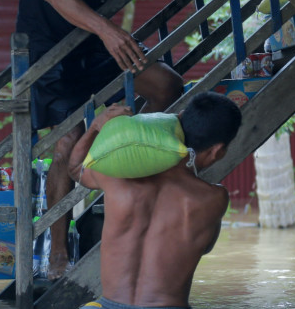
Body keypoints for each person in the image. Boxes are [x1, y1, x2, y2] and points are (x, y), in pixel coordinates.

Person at [14, 0, 184, 278]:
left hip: (92, 40)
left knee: (165, 86)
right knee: (65, 143)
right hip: (52, 47)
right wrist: (109, 31)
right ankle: (57, 251)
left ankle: (118, 175)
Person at [68, 91, 241, 309]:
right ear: (217, 151)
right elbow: (204, 247)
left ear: (179, 121)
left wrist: (95, 127)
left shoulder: (116, 177)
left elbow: (75, 169)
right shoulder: (215, 198)